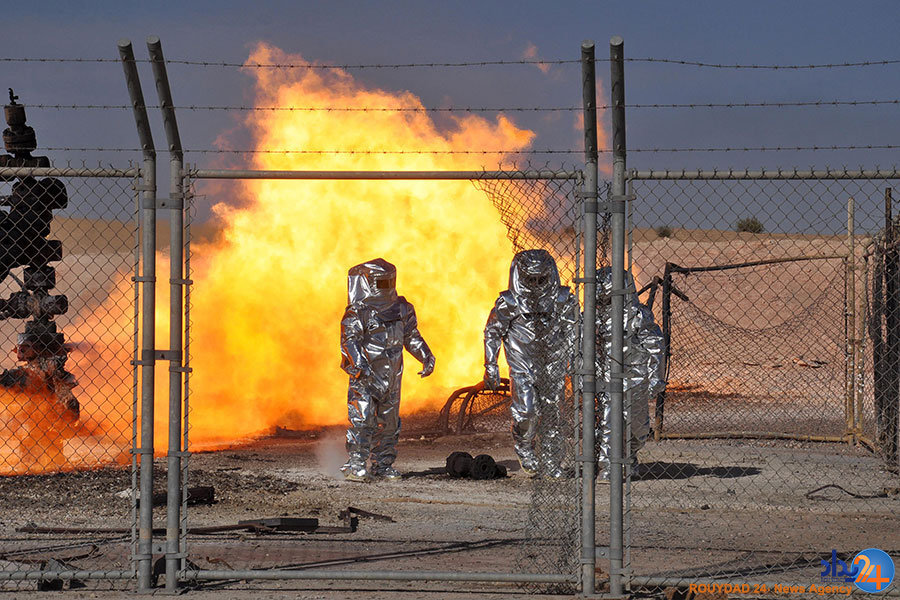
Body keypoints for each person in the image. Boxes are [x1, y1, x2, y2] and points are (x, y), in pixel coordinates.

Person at [483, 249, 578, 477]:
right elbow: (492, 333)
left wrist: (576, 364)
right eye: (530, 279)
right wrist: (490, 365)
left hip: (553, 366)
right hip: (522, 365)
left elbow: (575, 331)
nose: (535, 285)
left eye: (541, 280)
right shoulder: (509, 302)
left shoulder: (562, 299)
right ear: (519, 276)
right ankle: (525, 449)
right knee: (527, 412)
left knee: (554, 416)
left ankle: (552, 462)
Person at [339, 258, 435, 482]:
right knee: (362, 421)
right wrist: (359, 364)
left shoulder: (402, 308)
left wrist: (426, 355)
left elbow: (411, 336)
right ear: (368, 283)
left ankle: (383, 465)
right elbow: (349, 341)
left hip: (392, 376)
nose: (387, 286)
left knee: (390, 423)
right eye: (382, 282)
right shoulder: (358, 311)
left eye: (389, 281)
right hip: (366, 376)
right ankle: (356, 464)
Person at [595, 267, 665, 480]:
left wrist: (655, 376)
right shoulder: (594, 316)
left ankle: (630, 455)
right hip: (607, 376)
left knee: (636, 424)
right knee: (609, 420)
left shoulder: (638, 315)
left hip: (635, 376)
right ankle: (608, 465)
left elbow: (655, 345)